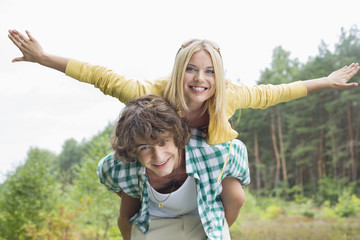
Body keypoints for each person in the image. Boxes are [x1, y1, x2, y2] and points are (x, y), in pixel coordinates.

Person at [8, 29, 360, 225]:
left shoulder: (228, 95)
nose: (200, 79)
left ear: (218, 76)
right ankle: (132, 226)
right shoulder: (152, 92)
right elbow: (100, 75)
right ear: (180, 70)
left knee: (236, 197)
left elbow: (276, 92)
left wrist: (325, 81)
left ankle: (213, 230)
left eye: (209, 71)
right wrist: (43, 58)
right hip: (160, 151)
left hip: (205, 155)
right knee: (129, 193)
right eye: (192, 68)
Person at [97, 94, 250, 240]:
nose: (158, 156)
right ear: (132, 148)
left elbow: (236, 199)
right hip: (154, 223)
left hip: (204, 218)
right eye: (144, 147)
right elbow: (125, 217)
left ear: (177, 136)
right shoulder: (120, 167)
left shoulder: (214, 153)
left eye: (163, 142)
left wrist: (217, 230)